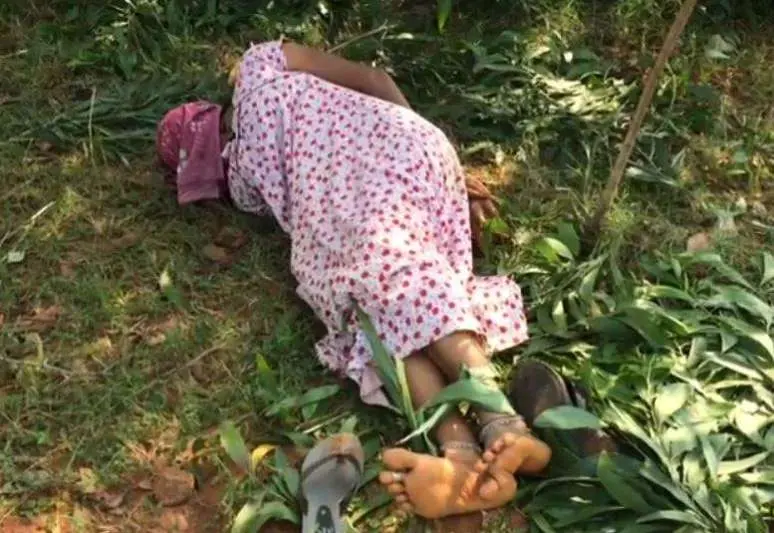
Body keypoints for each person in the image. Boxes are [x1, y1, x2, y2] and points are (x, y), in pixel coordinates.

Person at [156, 39, 551, 520]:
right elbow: (374, 80)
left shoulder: (254, 82)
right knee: (372, 311)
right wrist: (429, 146)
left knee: (388, 277)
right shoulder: (260, 80)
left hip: (382, 167)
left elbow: (370, 86)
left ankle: (500, 424)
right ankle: (463, 455)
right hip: (410, 151)